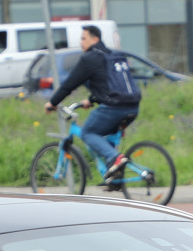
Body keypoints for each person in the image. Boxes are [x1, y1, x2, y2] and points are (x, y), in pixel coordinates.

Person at [44, 25, 142, 186]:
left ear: (95, 39)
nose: (81, 42)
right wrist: (92, 99)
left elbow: (70, 84)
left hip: (114, 108)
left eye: (84, 38)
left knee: (88, 133)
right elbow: (109, 83)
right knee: (103, 138)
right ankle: (114, 177)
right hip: (133, 106)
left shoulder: (89, 58)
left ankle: (114, 159)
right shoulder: (112, 54)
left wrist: (52, 103)